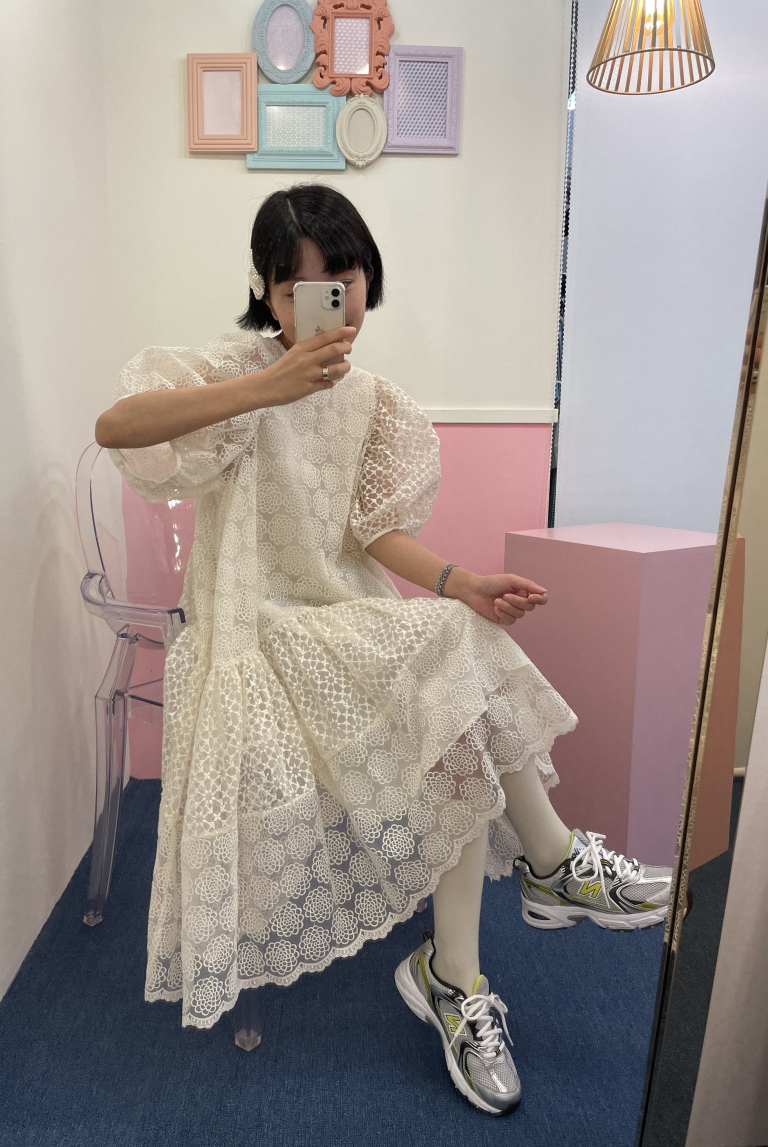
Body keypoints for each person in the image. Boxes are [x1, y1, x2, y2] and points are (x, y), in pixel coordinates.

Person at [94, 183, 672, 1116]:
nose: (329, 302)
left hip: (341, 619)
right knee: (448, 666)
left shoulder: (374, 403)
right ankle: (547, 868)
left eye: (345, 277)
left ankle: (462, 971)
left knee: (456, 669)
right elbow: (115, 428)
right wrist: (265, 387)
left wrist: (460, 579)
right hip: (252, 629)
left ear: (368, 277)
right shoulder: (236, 369)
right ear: (266, 291)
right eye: (299, 287)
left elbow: (372, 536)